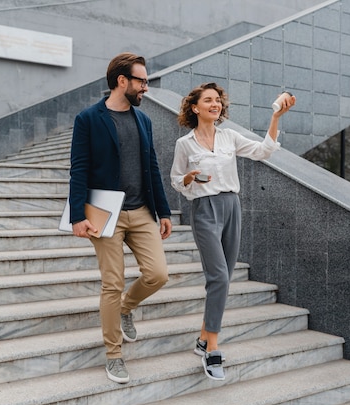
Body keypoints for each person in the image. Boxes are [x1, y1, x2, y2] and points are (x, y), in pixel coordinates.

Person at [170, 83, 295, 381]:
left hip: (231, 207)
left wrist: (276, 118)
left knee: (222, 280)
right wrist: (187, 177)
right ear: (195, 107)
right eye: (208, 100)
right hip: (203, 209)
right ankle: (212, 348)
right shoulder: (184, 144)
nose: (215, 104)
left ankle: (202, 338)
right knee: (219, 277)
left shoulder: (229, 137)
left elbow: (264, 151)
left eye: (218, 101)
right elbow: (176, 180)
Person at [69, 52, 173, 384]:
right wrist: (76, 216)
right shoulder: (88, 119)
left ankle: (126, 308)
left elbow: (152, 166)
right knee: (111, 283)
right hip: (104, 213)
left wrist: (164, 211)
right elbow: (79, 170)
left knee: (158, 274)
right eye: (141, 81)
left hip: (142, 211)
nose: (145, 87)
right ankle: (114, 355)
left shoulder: (143, 120)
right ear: (122, 81)